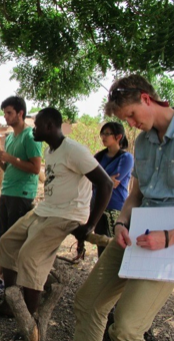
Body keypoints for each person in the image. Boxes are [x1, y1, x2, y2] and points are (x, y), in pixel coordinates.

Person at [0, 107, 113, 341]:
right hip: (45, 210)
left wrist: (90, 224)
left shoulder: (74, 150)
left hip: (66, 214)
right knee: (8, 242)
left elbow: (105, 184)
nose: (35, 129)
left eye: (38, 125)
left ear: (50, 126)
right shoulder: (52, 152)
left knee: (30, 257)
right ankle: (11, 304)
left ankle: (29, 322)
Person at [74, 75, 174, 341]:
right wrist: (121, 222)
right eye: (126, 119)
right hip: (137, 231)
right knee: (87, 303)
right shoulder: (143, 142)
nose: (131, 124)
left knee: (126, 329)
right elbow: (136, 194)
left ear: (145, 98)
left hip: (169, 242)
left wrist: (167, 237)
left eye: (131, 115)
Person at [0, 96, 42, 297]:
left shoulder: (30, 136)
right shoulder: (9, 137)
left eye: (9, 113)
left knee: (13, 242)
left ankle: (11, 288)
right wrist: (1, 163)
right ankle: (2, 279)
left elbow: (35, 168)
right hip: (7, 192)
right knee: (4, 239)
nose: (5, 117)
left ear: (20, 113)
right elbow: (10, 168)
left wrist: (9, 158)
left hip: (22, 195)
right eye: (4, 113)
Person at [93, 122, 134, 256]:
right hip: (98, 207)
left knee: (115, 248)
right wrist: (103, 180)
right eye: (102, 133)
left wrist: (100, 180)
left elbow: (112, 183)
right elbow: (93, 180)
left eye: (107, 134)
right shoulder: (98, 157)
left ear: (118, 137)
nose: (103, 137)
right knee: (101, 247)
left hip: (115, 208)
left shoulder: (126, 158)